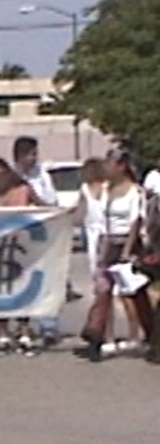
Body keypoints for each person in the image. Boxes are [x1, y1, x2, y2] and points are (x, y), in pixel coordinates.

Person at [81, 149, 152, 362]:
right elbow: (102, 221)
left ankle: (146, 334)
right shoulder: (105, 190)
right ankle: (98, 335)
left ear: (121, 166)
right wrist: (103, 250)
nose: (107, 168)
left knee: (133, 293)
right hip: (109, 242)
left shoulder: (134, 192)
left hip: (128, 244)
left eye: (111, 164)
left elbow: (135, 222)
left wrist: (127, 252)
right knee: (103, 290)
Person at [0, 158, 42, 356]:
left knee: (22, 288)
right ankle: (3, 333)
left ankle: (25, 331)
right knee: (0, 289)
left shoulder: (24, 189)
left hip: (22, 244)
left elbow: (43, 206)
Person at [12, 136, 61, 346]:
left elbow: (51, 202)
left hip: (40, 234)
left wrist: (33, 197)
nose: (34, 158)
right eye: (31, 154)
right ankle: (23, 326)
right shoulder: (10, 177)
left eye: (35, 154)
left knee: (45, 278)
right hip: (16, 236)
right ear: (20, 156)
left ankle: (48, 326)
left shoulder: (42, 176)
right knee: (20, 281)